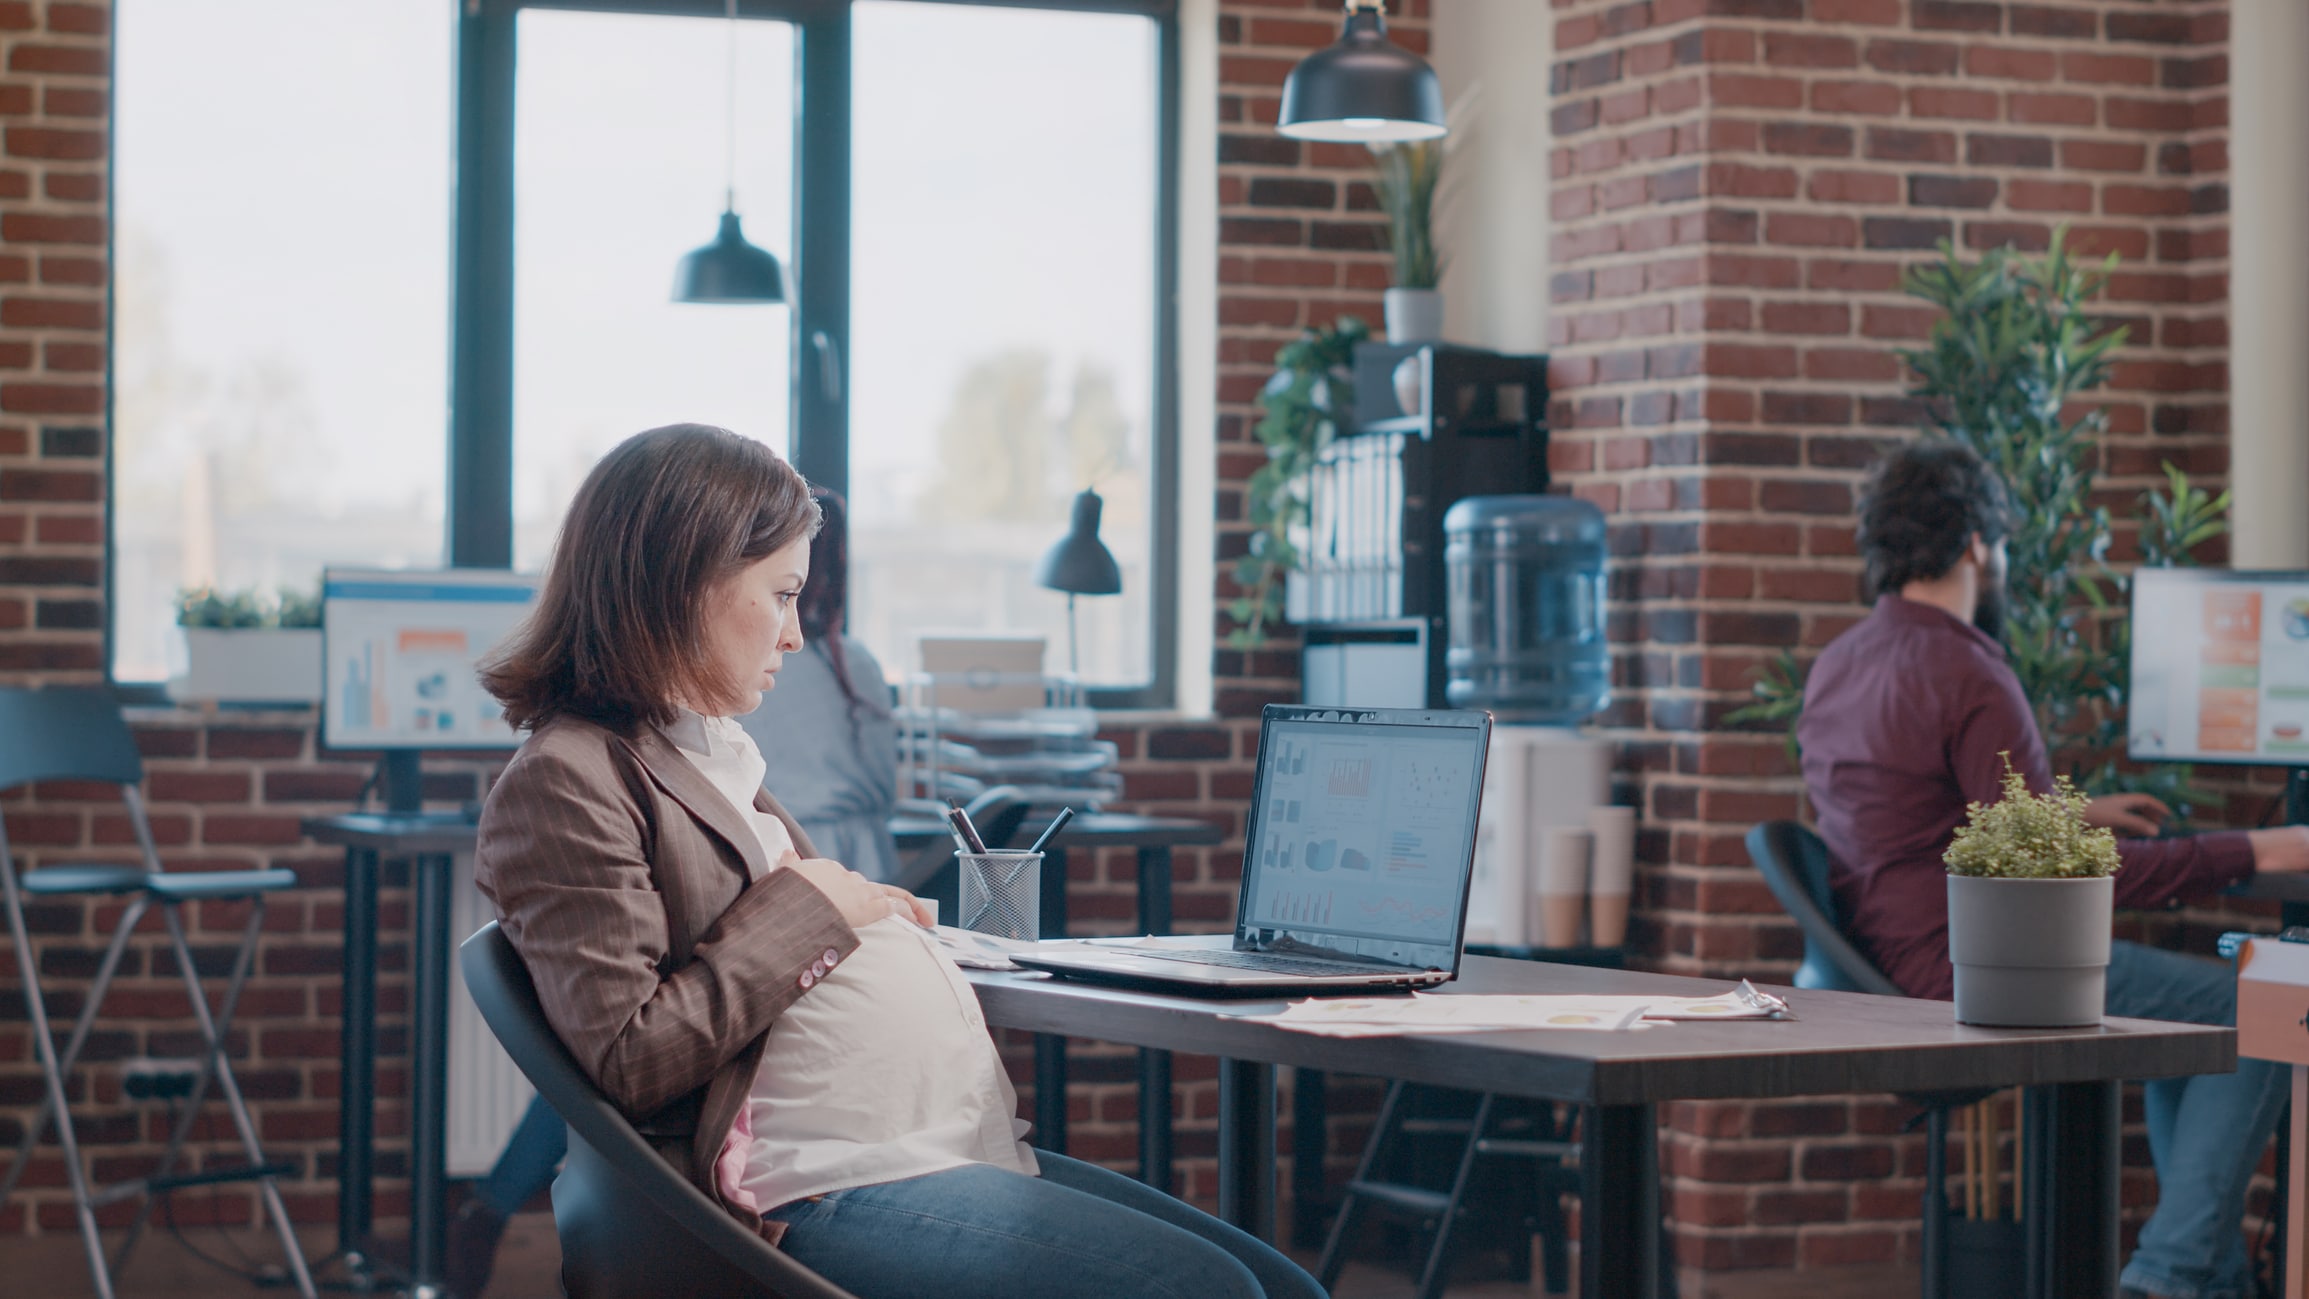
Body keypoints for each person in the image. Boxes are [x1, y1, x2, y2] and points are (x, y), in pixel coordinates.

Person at [471, 424, 1322, 1299]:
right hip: (798, 1190)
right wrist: (813, 904)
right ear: (684, 584)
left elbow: (779, 933)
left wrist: (874, 924)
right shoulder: (566, 779)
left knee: (1285, 1289)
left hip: (909, 1152)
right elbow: (629, 1056)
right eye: (782, 593)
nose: (797, 635)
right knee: (1211, 1290)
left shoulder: (700, 753)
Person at [1796, 439, 2309, 1299]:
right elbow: (2063, 888)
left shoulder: (1838, 662)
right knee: (2271, 992)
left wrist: (2074, 813)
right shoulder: (1967, 670)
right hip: (1982, 970)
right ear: (1974, 545)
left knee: (2197, 1029)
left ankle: (2210, 1273)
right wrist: (2256, 849)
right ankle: (2168, 1276)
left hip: (1890, 966)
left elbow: (1934, 824)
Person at [738, 488, 901, 883]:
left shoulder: (754, 659)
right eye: (781, 594)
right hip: (839, 853)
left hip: (796, 856)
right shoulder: (851, 663)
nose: (790, 637)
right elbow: (885, 785)